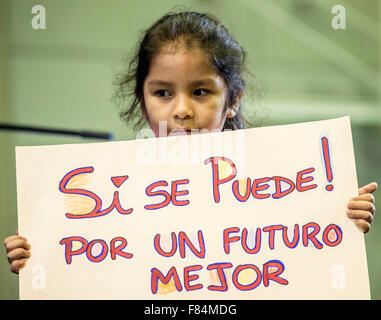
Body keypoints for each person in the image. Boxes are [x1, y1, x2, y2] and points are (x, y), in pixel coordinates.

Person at [3, 11, 377, 274]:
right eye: (163, 93)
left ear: (233, 100)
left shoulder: (282, 185)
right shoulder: (106, 199)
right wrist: (41, 257)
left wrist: (339, 217)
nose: (181, 110)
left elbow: (305, 264)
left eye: (200, 91)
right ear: (141, 99)